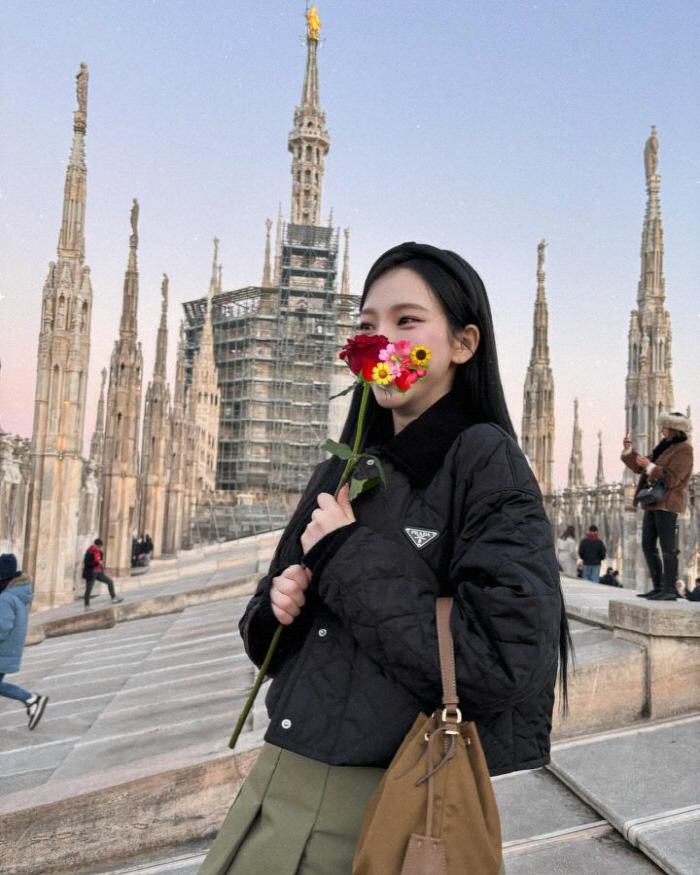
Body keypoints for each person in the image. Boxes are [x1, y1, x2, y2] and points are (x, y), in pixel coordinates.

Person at [198, 242, 570, 875]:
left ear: (463, 343)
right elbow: (270, 629)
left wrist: (346, 552)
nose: (380, 340)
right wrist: (274, 610)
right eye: (367, 326)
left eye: (407, 321)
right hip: (277, 786)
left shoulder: (482, 459)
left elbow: (507, 660)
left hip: (396, 804)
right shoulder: (339, 468)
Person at [622, 412, 694, 601]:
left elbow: (673, 478)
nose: (662, 429)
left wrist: (651, 467)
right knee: (647, 545)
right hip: (653, 503)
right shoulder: (663, 447)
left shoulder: (684, 450)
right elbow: (640, 467)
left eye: (665, 426)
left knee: (668, 547)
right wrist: (630, 452)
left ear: (674, 429)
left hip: (668, 503)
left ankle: (669, 589)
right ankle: (658, 586)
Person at [0, 554, 49, 729]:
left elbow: (2, 627)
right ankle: (31, 699)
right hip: (9, 651)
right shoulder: (16, 595)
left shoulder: (6, 598)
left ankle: (31, 698)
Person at [82, 539, 123, 609]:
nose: (99, 548)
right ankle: (87, 606)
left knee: (109, 581)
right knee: (89, 589)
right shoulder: (89, 552)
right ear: (95, 545)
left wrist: (100, 564)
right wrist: (97, 563)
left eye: (100, 547)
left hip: (99, 572)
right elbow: (87, 563)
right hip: (91, 573)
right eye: (98, 546)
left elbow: (100, 559)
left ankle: (113, 597)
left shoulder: (99, 552)